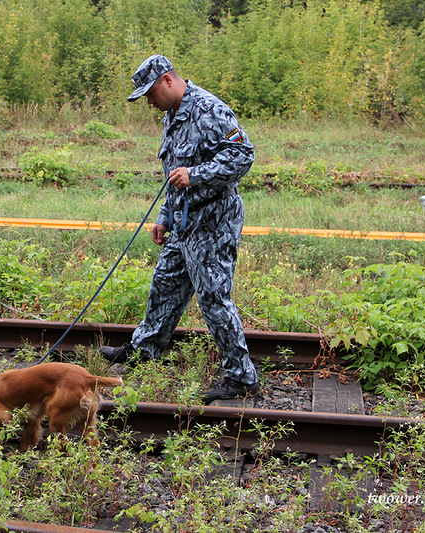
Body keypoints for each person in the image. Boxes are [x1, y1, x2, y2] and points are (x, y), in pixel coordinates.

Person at [99, 54, 259, 404]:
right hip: (185, 220)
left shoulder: (208, 109)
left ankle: (241, 377)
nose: (149, 101)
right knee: (166, 282)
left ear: (168, 80)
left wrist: (196, 174)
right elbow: (174, 175)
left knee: (213, 297)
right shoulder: (172, 116)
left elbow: (243, 155)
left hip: (213, 220)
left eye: (150, 93)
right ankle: (145, 349)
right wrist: (164, 217)